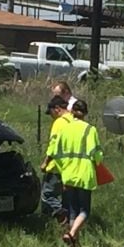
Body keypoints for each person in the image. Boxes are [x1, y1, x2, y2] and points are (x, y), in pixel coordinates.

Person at [51, 99, 103, 247]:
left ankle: (74, 245)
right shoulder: (89, 130)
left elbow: (56, 153)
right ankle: (72, 234)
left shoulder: (64, 129)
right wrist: (99, 161)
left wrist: (63, 169)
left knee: (73, 210)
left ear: (72, 112)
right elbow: (96, 153)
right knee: (85, 210)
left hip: (68, 174)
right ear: (85, 113)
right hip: (84, 174)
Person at [39, 95, 73, 224]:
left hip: (56, 166)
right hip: (71, 166)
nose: (51, 116)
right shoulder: (74, 120)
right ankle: (66, 221)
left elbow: (54, 145)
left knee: (47, 195)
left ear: (57, 108)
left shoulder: (59, 122)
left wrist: (46, 162)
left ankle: (59, 212)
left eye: (51, 113)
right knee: (66, 197)